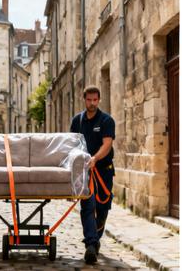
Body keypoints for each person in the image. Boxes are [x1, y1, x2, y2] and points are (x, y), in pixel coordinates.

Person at [70, 87, 115, 264]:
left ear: (99, 100)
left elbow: (107, 144)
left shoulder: (106, 120)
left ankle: (95, 239)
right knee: (88, 206)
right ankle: (90, 244)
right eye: (89, 100)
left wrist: (95, 158)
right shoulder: (77, 121)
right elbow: (72, 144)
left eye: (95, 100)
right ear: (84, 99)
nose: (92, 103)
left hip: (103, 169)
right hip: (84, 171)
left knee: (103, 207)